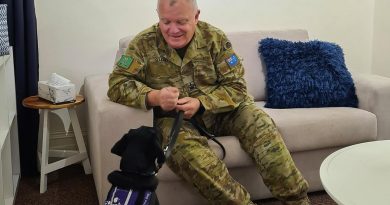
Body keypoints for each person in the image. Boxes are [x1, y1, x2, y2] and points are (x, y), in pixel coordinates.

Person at [107, 0, 310, 204]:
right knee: (185, 152)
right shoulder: (143, 43)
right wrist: (155, 97)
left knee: (261, 124)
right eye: (165, 21)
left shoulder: (215, 38)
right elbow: (117, 84)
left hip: (224, 112)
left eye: (181, 21)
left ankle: (297, 200)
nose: (173, 29)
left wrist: (202, 103)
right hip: (176, 121)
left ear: (196, 17)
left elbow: (236, 86)